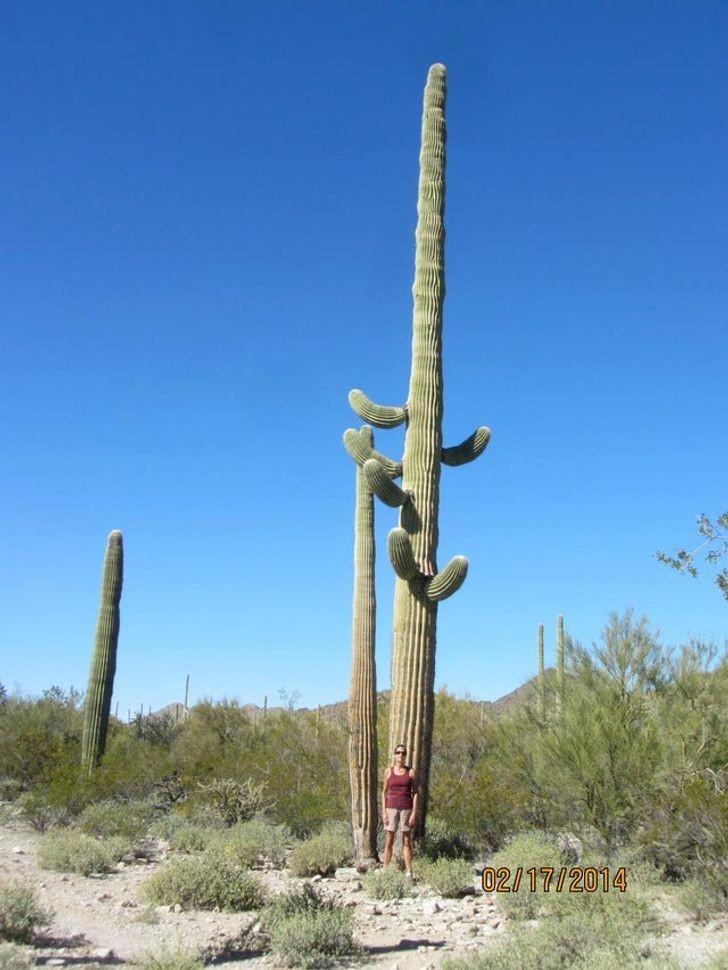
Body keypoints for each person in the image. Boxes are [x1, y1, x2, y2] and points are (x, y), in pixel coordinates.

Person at [382, 743, 418, 878]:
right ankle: (385, 869)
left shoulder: (411, 772)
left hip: (406, 808)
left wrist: (414, 812)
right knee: (389, 839)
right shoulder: (388, 771)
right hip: (391, 807)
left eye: (403, 753)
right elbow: (384, 792)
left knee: (406, 841)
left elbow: (415, 792)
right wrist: (384, 811)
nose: (400, 755)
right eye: (398, 752)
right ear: (394, 754)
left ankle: (409, 872)